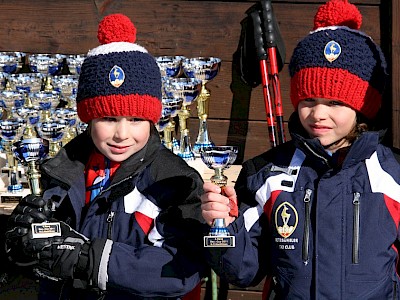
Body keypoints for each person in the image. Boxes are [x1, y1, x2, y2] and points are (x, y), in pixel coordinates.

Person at [201, 0, 399, 298]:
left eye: (335, 103)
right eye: (309, 100)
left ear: (362, 107)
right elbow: (243, 270)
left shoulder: (393, 175)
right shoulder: (266, 174)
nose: (318, 114)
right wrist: (223, 230)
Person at [4, 13, 207, 299]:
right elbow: (43, 256)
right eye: (108, 118)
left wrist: (91, 259)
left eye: (136, 118)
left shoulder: (175, 181)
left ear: (153, 119)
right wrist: (21, 243)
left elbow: (181, 268)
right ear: (88, 118)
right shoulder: (64, 169)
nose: (122, 133)